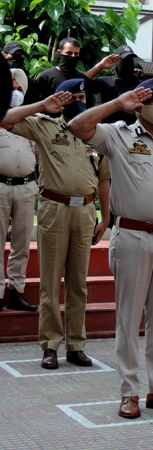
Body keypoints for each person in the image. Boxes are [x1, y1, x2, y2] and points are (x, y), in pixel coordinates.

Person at [69, 78, 153, 419]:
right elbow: (77, 125)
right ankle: (129, 393)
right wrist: (116, 104)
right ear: (139, 103)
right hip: (132, 237)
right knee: (128, 319)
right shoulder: (118, 134)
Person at [1, 78, 110, 369]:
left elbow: (103, 179)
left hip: (86, 211)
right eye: (71, 97)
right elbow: (5, 120)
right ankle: (50, 345)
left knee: (79, 283)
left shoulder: (97, 134)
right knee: (50, 281)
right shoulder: (44, 125)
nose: (78, 102)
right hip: (55, 207)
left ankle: (76, 345)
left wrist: (107, 215)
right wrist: (42, 105)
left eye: (82, 98)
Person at [0, 70, 38, 312]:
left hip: (26, 186)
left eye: (20, 89)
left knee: (22, 243)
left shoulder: (31, 122)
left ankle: (17, 291)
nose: (15, 93)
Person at [35, 37, 119, 107]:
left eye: (76, 54)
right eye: (69, 53)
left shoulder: (82, 77)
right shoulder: (46, 76)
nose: (72, 56)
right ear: (59, 53)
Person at [93, 46, 141, 125]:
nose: (128, 61)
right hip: (109, 133)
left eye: (131, 58)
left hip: (133, 134)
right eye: (125, 59)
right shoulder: (104, 82)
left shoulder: (140, 85)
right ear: (116, 61)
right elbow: (81, 85)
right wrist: (100, 66)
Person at [4, 41, 39, 106]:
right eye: (14, 56)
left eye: (19, 56)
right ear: (4, 56)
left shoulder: (31, 83)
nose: (17, 59)